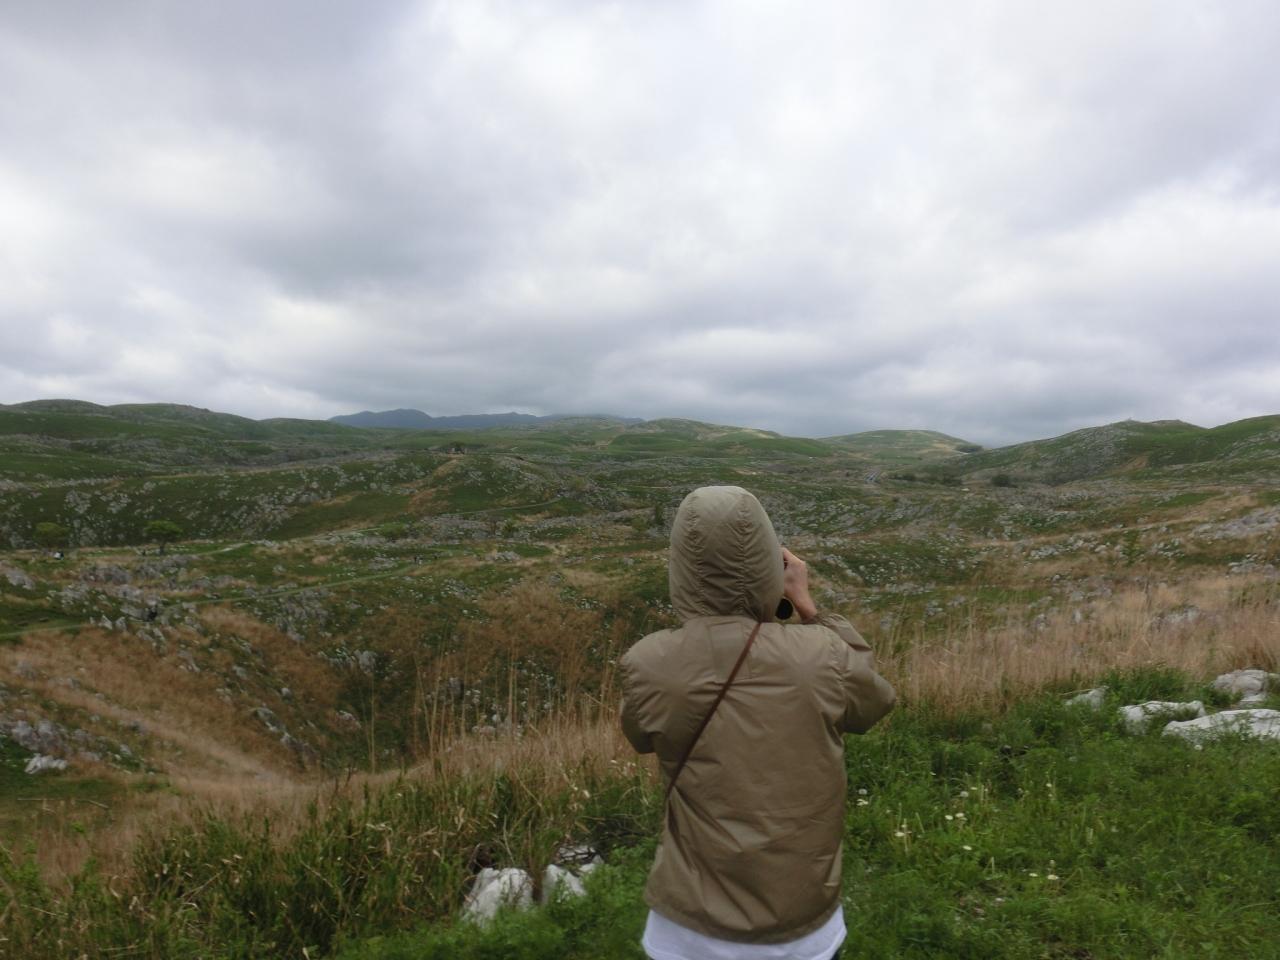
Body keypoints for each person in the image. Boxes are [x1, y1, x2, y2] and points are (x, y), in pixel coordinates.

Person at [620, 485, 896, 960]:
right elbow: (873, 702)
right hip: (803, 921)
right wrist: (807, 606)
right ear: (771, 563)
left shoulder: (650, 662)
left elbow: (640, 736)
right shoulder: (823, 654)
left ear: (682, 568)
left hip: (689, 926)